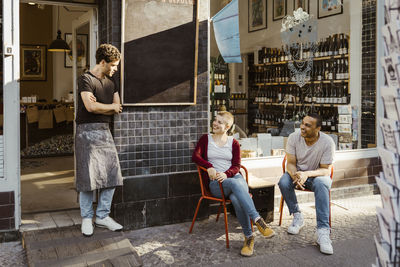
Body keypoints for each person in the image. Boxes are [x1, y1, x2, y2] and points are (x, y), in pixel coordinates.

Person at [192, 111, 275, 257]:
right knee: (236, 185)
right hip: (216, 185)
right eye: (215, 120)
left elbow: (237, 166)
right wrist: (209, 166)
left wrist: (227, 173)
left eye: (219, 122)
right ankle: (257, 219)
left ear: (228, 126)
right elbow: (196, 156)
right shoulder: (206, 139)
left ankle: (249, 238)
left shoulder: (234, 143)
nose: (215, 123)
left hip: (233, 178)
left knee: (237, 198)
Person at [75, 44, 124, 237]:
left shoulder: (112, 82)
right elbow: (89, 107)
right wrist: (109, 107)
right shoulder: (85, 79)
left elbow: (118, 107)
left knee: (112, 175)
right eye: (113, 65)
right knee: (88, 177)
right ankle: (86, 218)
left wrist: (105, 106)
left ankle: (102, 216)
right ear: (102, 62)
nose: (115, 69)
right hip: (86, 131)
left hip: (104, 131)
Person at [278, 113, 335, 255]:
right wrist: (296, 175)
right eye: (302, 123)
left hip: (316, 176)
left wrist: (306, 174)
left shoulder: (327, 142)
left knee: (322, 184)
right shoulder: (293, 137)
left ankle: (323, 232)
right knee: (284, 181)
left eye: (308, 125)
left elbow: (325, 170)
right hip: (297, 174)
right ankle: (297, 216)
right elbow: (290, 164)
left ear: (318, 129)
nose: (302, 127)